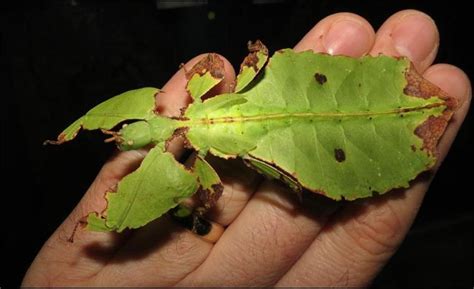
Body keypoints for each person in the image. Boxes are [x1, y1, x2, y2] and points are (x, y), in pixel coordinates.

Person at [22, 10, 471, 287]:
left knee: (302, 182)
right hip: (318, 121)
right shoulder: (200, 95)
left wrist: (195, 210)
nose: (133, 137)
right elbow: (238, 62)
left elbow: (210, 191)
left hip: (321, 137)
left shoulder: (201, 166)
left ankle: (419, 109)